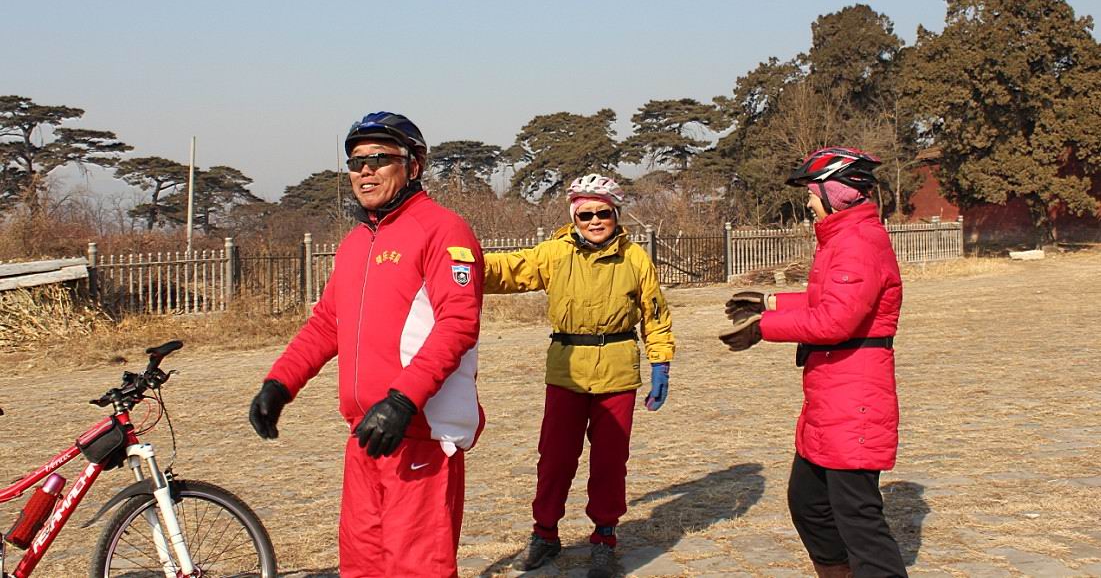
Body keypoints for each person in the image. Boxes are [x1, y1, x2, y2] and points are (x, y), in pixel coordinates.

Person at [248, 111, 484, 578]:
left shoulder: (442, 229)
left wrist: (402, 400)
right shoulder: (355, 243)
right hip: (366, 434)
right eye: (355, 163)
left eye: (379, 159)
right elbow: (326, 324)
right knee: (361, 565)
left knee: (417, 568)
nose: (365, 171)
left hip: (418, 432)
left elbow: (458, 324)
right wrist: (278, 384)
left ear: (413, 166)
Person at [721, 147, 907, 578]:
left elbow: (837, 319)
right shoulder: (842, 237)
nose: (808, 201)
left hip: (855, 394)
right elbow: (830, 299)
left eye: (811, 192)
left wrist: (763, 327)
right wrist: (767, 300)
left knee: (859, 519)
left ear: (835, 193)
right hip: (832, 391)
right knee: (809, 504)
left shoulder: (858, 242)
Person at [483, 173, 675, 578]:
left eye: (602, 213)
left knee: (610, 462)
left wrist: (661, 362)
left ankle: (604, 538)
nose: (594, 221)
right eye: (585, 214)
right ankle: (545, 534)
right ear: (574, 216)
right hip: (567, 368)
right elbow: (507, 269)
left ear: (615, 215)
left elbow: (655, 315)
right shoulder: (555, 253)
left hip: (618, 369)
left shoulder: (636, 259)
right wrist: (458, 259)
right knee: (554, 458)